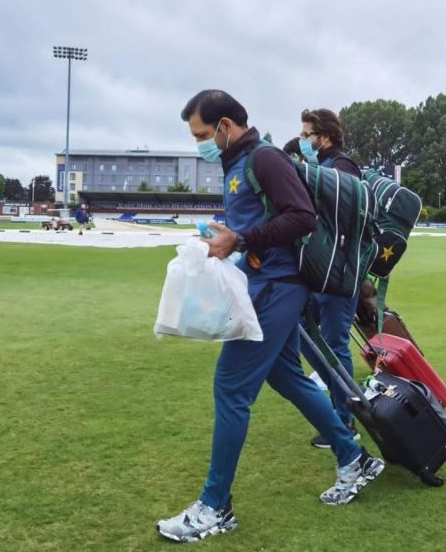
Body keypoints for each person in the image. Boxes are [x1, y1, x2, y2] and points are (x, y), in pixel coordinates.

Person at [156, 90, 384, 544]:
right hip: (265, 285)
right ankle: (352, 457)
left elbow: (300, 217)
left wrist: (239, 240)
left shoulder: (264, 159)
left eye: (203, 134)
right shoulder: (237, 163)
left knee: (231, 388)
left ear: (225, 125)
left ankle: (216, 506)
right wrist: (230, 236)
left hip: (277, 288)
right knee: (288, 379)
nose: (200, 144)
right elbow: (259, 223)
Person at [298, 108, 364, 449]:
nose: (304, 140)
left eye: (308, 134)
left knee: (335, 344)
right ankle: (340, 404)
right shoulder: (324, 166)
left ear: (325, 136)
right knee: (307, 337)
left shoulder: (343, 166)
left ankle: (346, 420)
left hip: (338, 274)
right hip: (320, 272)